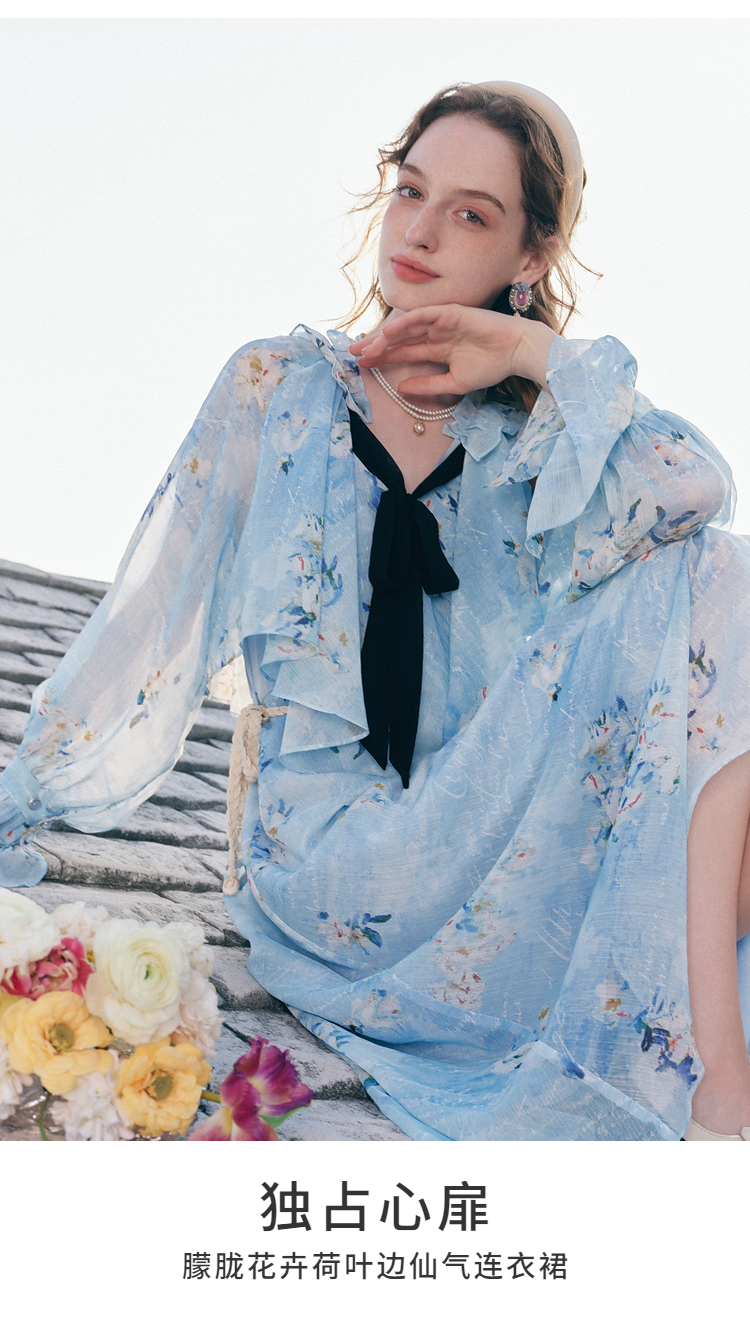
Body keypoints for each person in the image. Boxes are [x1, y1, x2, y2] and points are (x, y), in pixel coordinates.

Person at [2, 81, 750, 1141]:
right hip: (331, 865)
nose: (422, 231)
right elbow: (150, 624)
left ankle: (717, 1075)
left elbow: (692, 488)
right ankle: (720, 1088)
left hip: (496, 841)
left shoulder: (534, 449)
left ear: (531, 257)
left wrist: (529, 357)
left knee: (712, 572)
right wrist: (28, 784)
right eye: (411, 191)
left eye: (471, 214)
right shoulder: (277, 389)